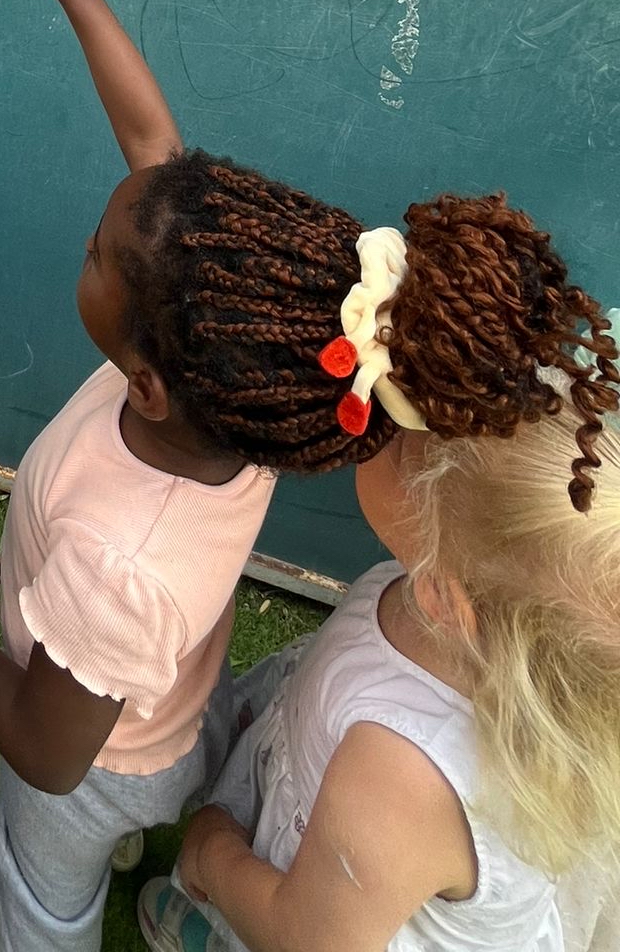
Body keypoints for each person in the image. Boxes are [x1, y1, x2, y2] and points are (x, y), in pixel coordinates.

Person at [0, 0, 618, 952]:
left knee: (40, 878)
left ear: (147, 383)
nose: (91, 242)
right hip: (173, 707)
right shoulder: (252, 393)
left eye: (95, 252)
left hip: (100, 764)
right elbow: (156, 150)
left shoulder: (120, 556)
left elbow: (53, 756)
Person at [138, 381, 620, 952]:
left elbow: (307, 939)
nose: (385, 418)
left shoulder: (402, 777)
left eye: (404, 437)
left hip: (318, 901)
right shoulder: (463, 599)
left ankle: (210, 928)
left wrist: (213, 857)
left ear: (443, 597)